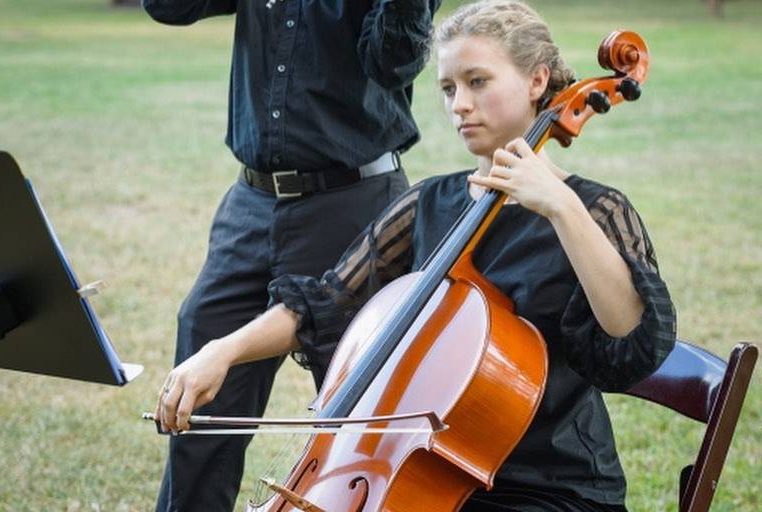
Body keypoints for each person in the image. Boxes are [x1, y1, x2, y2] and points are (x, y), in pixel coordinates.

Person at [154, 1, 677, 510]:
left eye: (478, 82)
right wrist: (221, 351)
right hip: (429, 472)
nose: (459, 105)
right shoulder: (430, 202)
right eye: (448, 88)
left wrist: (561, 207)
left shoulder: (595, 209)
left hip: (549, 489)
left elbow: (631, 338)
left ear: (537, 82)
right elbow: (325, 299)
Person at [141, 0, 441, 510]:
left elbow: (394, 61)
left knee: (359, 419)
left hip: (354, 204)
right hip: (251, 204)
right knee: (201, 413)